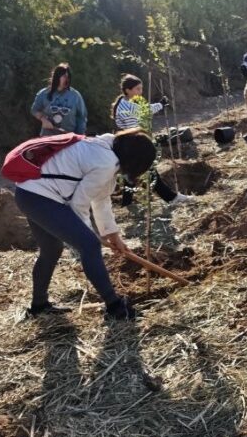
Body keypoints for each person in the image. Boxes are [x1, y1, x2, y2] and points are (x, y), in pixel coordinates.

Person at [12, 129, 156, 320]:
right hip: (39, 197)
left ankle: (39, 305)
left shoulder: (106, 148)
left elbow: (101, 199)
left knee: (51, 249)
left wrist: (113, 235)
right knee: (89, 245)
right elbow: (79, 203)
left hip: (29, 193)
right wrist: (87, 234)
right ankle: (115, 307)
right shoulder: (105, 162)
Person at [111, 74, 193, 206]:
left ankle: (127, 203)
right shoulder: (126, 106)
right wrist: (161, 104)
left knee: (131, 175)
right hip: (133, 146)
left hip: (131, 145)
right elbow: (146, 110)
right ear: (128, 90)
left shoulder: (124, 103)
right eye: (137, 89)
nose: (140, 92)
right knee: (150, 172)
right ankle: (172, 198)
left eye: (141, 88)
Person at [31, 64, 88, 136]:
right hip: (48, 137)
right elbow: (34, 110)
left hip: (68, 138)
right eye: (64, 76)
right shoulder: (44, 94)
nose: (67, 79)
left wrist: (80, 135)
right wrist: (43, 119)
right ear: (57, 77)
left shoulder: (75, 96)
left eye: (68, 77)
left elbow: (82, 117)